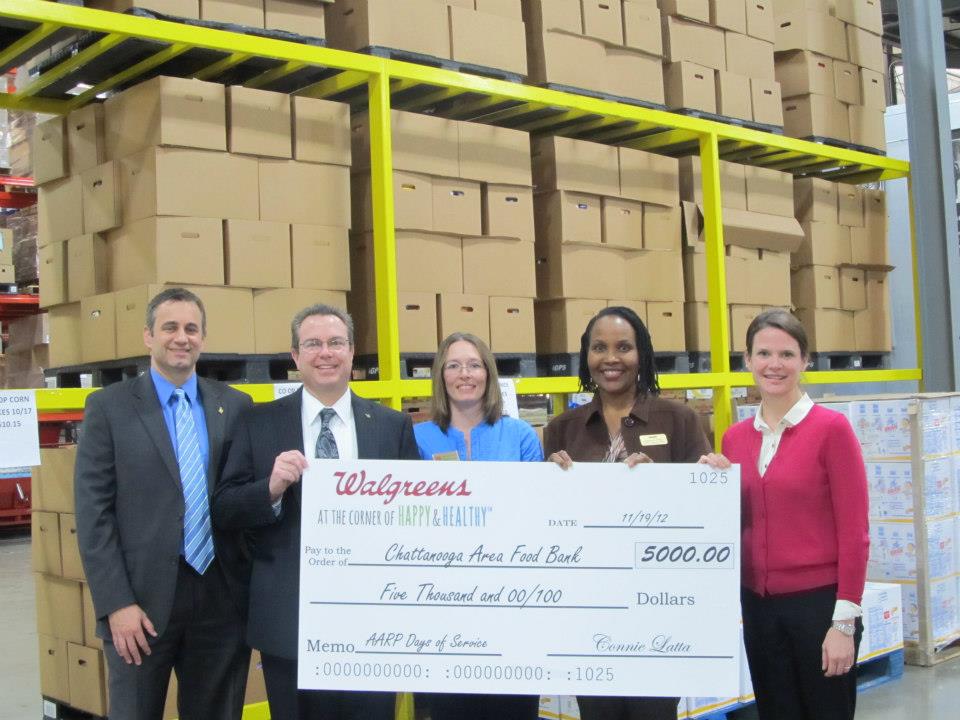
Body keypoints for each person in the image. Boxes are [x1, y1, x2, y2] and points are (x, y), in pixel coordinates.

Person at [211, 303, 420, 720]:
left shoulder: (391, 426)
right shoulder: (258, 424)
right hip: (290, 622)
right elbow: (223, 509)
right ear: (295, 356)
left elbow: (413, 518)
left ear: (352, 351)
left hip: (372, 620)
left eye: (336, 342)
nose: (325, 352)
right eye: (313, 344)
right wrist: (269, 489)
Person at [74, 287, 253, 720]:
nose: (181, 337)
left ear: (203, 339)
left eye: (192, 329)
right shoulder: (108, 409)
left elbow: (244, 498)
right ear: (148, 337)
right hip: (140, 604)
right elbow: (93, 515)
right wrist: (116, 604)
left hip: (220, 598)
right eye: (169, 327)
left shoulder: (235, 406)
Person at [542, 305, 720, 720]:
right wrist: (548, 484)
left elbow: (706, 514)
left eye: (624, 347)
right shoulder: (563, 428)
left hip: (657, 607)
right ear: (586, 356)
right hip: (589, 607)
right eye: (599, 347)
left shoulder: (679, 421)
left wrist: (671, 487)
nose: (611, 358)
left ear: (642, 355)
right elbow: (550, 525)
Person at [721, 309, 868, 720]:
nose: (774, 364)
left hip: (818, 607)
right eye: (763, 353)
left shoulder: (831, 430)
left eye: (787, 354)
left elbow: (855, 532)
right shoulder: (734, 438)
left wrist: (842, 624)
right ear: (748, 361)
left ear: (805, 361)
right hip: (759, 607)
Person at [413, 332, 543, 720]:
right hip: (441, 602)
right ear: (440, 376)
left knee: (514, 709)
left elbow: (537, 513)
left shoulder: (519, 435)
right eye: (453, 366)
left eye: (473, 364)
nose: (464, 374)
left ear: (488, 374)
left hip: (512, 602)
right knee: (450, 709)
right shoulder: (417, 437)